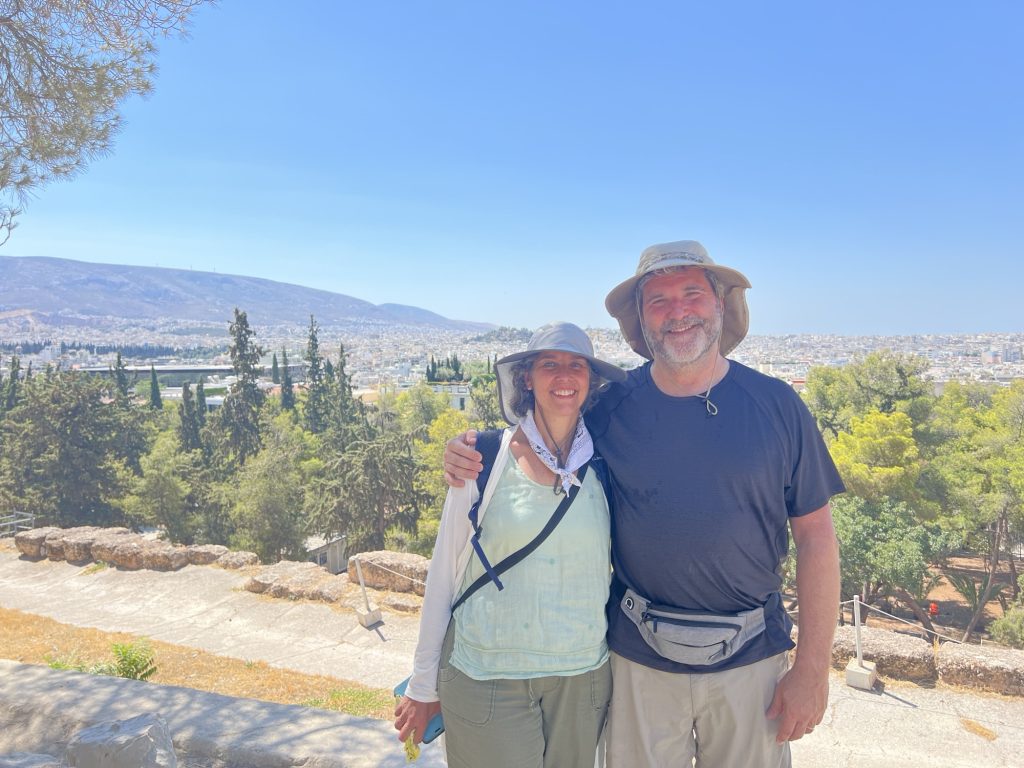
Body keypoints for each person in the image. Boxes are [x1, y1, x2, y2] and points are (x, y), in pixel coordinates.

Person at [445, 241, 845, 768]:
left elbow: (816, 537)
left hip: (752, 664)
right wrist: (469, 450)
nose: (678, 311)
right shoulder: (610, 405)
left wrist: (813, 669)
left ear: (720, 305)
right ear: (641, 318)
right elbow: (542, 433)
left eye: (692, 294)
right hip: (640, 663)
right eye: (658, 300)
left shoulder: (777, 406)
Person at [395, 322, 627, 768]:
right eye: (549, 364)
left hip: (582, 678)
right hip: (487, 675)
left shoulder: (606, 464)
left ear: (590, 381)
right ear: (527, 378)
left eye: (576, 366)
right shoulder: (482, 459)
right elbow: (444, 573)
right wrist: (423, 685)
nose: (564, 376)